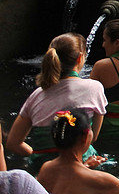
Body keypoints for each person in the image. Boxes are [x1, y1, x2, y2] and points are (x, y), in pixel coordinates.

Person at [6, 33, 107, 163]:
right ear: (80, 58)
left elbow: (13, 143)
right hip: (81, 162)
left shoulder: (36, 96)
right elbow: (93, 137)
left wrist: (37, 155)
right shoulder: (94, 88)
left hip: (43, 165)